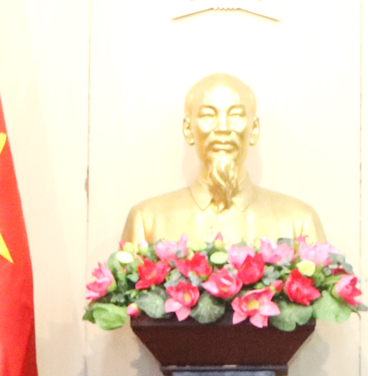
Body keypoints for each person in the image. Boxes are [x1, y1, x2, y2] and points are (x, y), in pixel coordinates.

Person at [120, 72, 325, 247]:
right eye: (208, 116)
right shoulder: (148, 221)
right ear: (188, 129)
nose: (223, 128)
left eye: (236, 115)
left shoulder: (298, 222)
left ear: (254, 130)